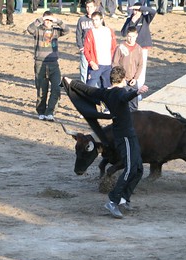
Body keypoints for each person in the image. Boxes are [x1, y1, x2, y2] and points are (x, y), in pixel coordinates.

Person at [64, 66, 149, 219]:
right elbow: (124, 98)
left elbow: (87, 90)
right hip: (125, 136)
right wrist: (136, 92)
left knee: (138, 169)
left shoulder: (105, 92)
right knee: (130, 169)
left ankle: (124, 199)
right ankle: (113, 201)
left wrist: (71, 83)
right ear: (122, 79)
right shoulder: (121, 93)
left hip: (126, 135)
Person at [26, 11, 69, 121]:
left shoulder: (55, 31)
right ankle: (41, 111)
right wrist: (40, 19)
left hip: (54, 64)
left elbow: (66, 30)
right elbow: (30, 29)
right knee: (41, 90)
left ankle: (50, 112)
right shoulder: (38, 29)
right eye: (46, 20)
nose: (48, 22)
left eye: (50, 20)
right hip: (40, 63)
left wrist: (57, 21)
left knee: (56, 88)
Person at [120, 2, 155, 99]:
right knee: (131, 67)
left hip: (143, 47)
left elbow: (153, 11)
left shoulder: (145, 19)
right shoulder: (129, 19)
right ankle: (133, 90)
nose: (135, 12)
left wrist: (140, 7)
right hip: (131, 48)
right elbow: (123, 33)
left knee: (141, 68)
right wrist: (131, 22)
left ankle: (138, 92)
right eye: (134, 10)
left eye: (137, 10)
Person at [112, 26, 143, 111]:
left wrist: (135, 78)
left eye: (133, 36)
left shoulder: (139, 49)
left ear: (136, 35)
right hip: (122, 81)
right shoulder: (121, 47)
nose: (131, 38)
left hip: (133, 81)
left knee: (134, 104)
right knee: (122, 103)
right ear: (126, 36)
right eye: (129, 36)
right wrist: (121, 78)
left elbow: (140, 65)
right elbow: (115, 63)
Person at [84, 11, 117, 88]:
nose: (94, 22)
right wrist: (91, 62)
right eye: (93, 20)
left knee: (107, 89)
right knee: (89, 87)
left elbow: (114, 47)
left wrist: (113, 61)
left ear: (101, 20)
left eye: (96, 20)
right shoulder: (90, 33)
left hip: (108, 65)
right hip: (96, 64)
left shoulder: (109, 31)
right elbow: (86, 50)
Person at [76, 0, 97, 83]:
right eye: (87, 7)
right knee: (84, 70)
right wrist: (81, 47)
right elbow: (78, 34)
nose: (89, 9)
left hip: (96, 49)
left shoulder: (98, 18)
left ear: (94, 7)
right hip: (85, 49)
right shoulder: (82, 20)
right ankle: (83, 87)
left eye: (91, 7)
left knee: (96, 69)